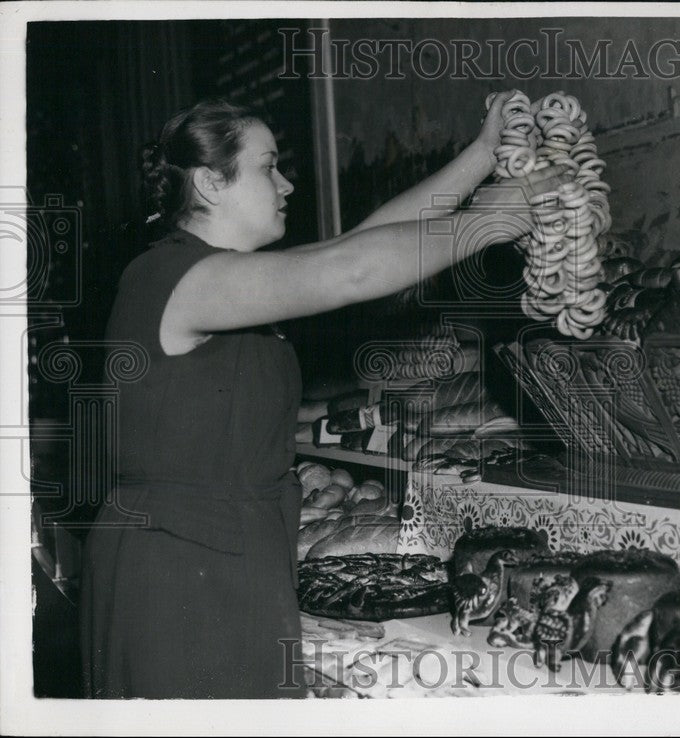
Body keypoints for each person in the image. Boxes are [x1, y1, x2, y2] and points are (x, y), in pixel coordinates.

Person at [80, 93, 569, 698]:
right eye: (268, 166)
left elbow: (363, 245)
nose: (286, 184)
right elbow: (351, 270)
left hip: (228, 551)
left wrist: (480, 156)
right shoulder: (175, 276)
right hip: (180, 569)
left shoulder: (218, 272)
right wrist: (491, 221)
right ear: (210, 182)